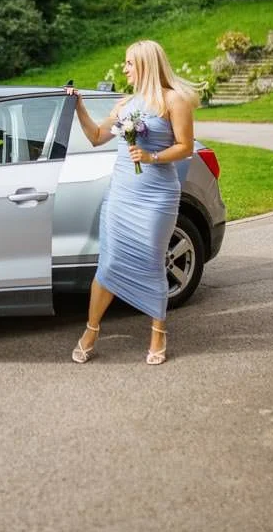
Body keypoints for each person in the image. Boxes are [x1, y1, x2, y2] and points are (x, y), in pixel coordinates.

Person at [65, 39, 200, 365]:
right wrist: (79, 106)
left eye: (128, 63)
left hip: (157, 197)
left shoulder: (174, 100)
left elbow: (186, 147)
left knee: (152, 262)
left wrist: (153, 157)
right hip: (121, 195)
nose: (124, 68)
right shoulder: (125, 104)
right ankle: (91, 330)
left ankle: (158, 333)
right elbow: (96, 137)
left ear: (145, 64)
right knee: (109, 263)